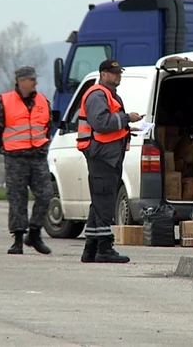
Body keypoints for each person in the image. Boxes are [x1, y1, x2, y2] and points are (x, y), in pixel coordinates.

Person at [76, 60, 143, 264]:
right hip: (102, 155)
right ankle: (104, 249)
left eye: (119, 73)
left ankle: (91, 250)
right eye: (114, 73)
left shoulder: (110, 95)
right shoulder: (98, 94)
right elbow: (102, 123)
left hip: (107, 155)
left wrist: (126, 129)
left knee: (99, 203)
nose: (118, 76)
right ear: (103, 74)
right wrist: (126, 119)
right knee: (104, 202)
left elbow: (108, 126)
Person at [0, 66, 53, 255]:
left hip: (38, 157)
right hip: (15, 158)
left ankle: (34, 233)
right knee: (17, 198)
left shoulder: (42, 101)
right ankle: (17, 240)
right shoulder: (4, 102)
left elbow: (48, 125)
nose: (35, 82)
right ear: (20, 81)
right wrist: (2, 148)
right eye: (31, 79)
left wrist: (42, 147)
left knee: (46, 195)